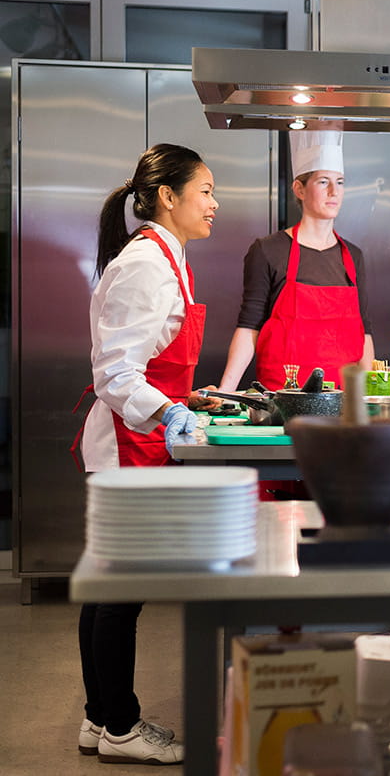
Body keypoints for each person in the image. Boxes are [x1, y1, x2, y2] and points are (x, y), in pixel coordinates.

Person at [76, 143, 221, 765]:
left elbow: (155, 359)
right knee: (121, 594)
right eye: (207, 190)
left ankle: (99, 719)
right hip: (127, 445)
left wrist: (192, 397)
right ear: (169, 196)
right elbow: (115, 372)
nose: (215, 203)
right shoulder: (147, 264)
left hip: (140, 442)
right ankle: (122, 728)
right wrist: (169, 410)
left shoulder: (168, 257)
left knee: (112, 588)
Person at [219, 130, 373, 392]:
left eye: (341, 182)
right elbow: (249, 327)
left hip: (342, 400)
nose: (334, 191)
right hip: (282, 397)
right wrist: (225, 391)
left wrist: (368, 397)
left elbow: (364, 333)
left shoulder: (353, 256)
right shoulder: (268, 250)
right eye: (323, 182)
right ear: (299, 189)